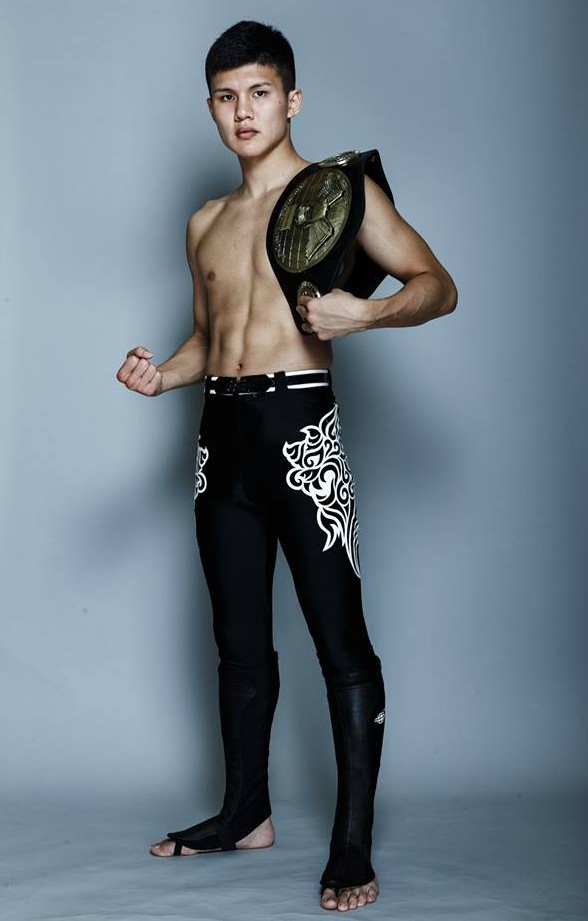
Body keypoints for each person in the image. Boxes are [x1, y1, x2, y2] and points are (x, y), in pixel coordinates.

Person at [116, 20, 457, 913]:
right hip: (219, 440)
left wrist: (365, 315)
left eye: (260, 93)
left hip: (301, 431)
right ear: (211, 108)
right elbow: (210, 336)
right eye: (227, 96)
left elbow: (437, 284)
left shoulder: (339, 193)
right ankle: (246, 812)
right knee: (237, 643)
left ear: (292, 99)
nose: (244, 111)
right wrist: (163, 374)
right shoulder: (204, 221)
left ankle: (352, 844)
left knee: (340, 642)